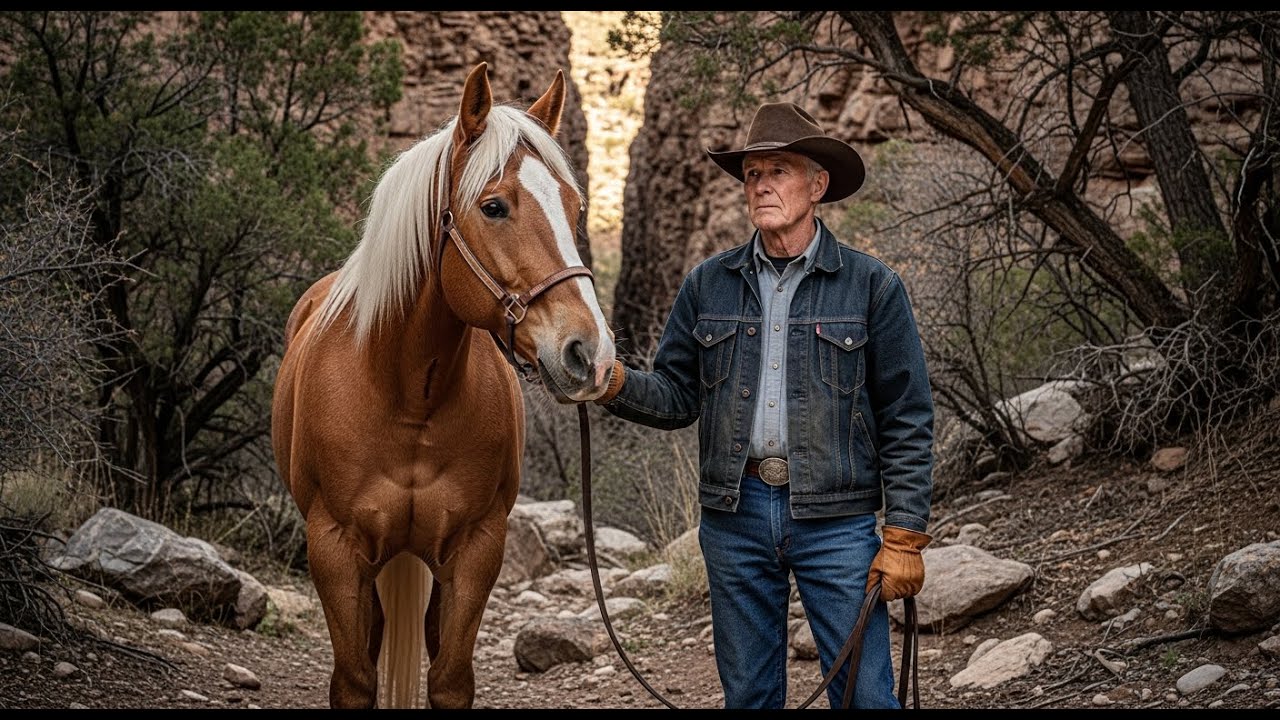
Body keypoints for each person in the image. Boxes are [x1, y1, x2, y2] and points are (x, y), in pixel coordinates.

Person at [594, 101, 935, 709]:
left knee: (865, 695)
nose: (761, 185)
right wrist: (613, 382)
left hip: (837, 520)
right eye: (752, 174)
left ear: (818, 185)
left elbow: (907, 415)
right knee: (749, 694)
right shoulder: (708, 283)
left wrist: (904, 535)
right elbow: (676, 397)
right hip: (736, 515)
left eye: (778, 170)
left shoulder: (871, 285)